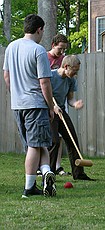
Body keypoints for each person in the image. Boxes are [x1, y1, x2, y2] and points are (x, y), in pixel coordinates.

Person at [3, 14, 56, 198]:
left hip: (18, 105)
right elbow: (45, 83)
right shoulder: (38, 50)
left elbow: (7, 77)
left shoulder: (11, 47)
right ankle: (29, 188)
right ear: (39, 29)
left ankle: (47, 170)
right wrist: (50, 106)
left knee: (37, 144)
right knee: (35, 145)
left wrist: (16, 94)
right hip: (35, 104)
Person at [49, 55, 93, 180]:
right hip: (49, 112)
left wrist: (75, 104)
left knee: (72, 139)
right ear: (66, 66)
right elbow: (44, 94)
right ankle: (50, 174)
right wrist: (52, 107)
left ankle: (79, 174)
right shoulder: (51, 77)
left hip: (61, 110)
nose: (76, 73)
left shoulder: (71, 80)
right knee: (54, 142)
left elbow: (70, 99)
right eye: (75, 70)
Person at [47, 34, 70, 176]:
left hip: (60, 104)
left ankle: (58, 166)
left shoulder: (63, 60)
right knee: (51, 137)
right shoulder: (44, 58)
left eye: (64, 50)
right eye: (60, 49)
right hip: (47, 104)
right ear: (53, 45)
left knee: (60, 137)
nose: (62, 52)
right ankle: (45, 167)